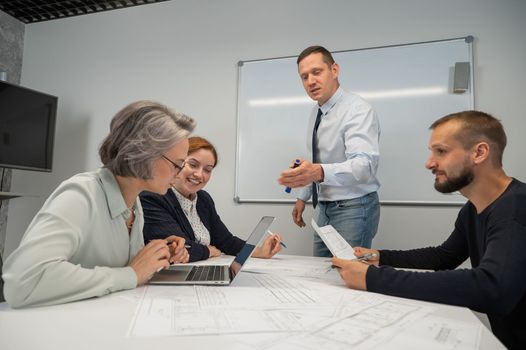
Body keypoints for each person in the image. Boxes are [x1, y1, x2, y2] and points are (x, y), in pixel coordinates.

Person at [332, 111, 526, 350]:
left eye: (441, 151)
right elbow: (444, 256)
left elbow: (492, 288)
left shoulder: (517, 209)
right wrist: (381, 257)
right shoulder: (473, 209)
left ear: (479, 152)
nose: (429, 163)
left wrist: (373, 278)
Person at [2, 100, 195, 308]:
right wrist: (130, 275)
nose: (181, 172)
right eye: (178, 164)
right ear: (145, 153)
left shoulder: (134, 204)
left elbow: (119, 267)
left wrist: (156, 254)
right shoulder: (81, 194)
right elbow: (23, 281)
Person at [278, 45, 380, 257]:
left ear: (334, 70)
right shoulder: (316, 112)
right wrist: (302, 197)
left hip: (354, 208)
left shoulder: (357, 110)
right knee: (321, 275)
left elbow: (364, 166)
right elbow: (318, 160)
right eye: (304, 77)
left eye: (317, 72)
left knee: (348, 278)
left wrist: (316, 172)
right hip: (324, 207)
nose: (310, 81)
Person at [141, 136, 282, 262]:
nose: (199, 174)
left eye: (207, 170)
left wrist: (259, 251)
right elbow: (178, 249)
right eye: (193, 164)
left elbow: (226, 241)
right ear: (178, 164)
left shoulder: (203, 199)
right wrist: (208, 250)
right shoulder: (154, 197)